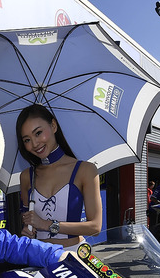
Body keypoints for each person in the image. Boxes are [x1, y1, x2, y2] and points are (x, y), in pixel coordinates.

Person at [17, 104, 102, 249]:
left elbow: (95, 227)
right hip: (39, 256)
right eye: (27, 140)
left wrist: (46, 224)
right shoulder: (26, 176)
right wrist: (27, 230)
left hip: (75, 255)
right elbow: (27, 220)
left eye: (38, 133)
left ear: (54, 126)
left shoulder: (85, 170)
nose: (35, 143)